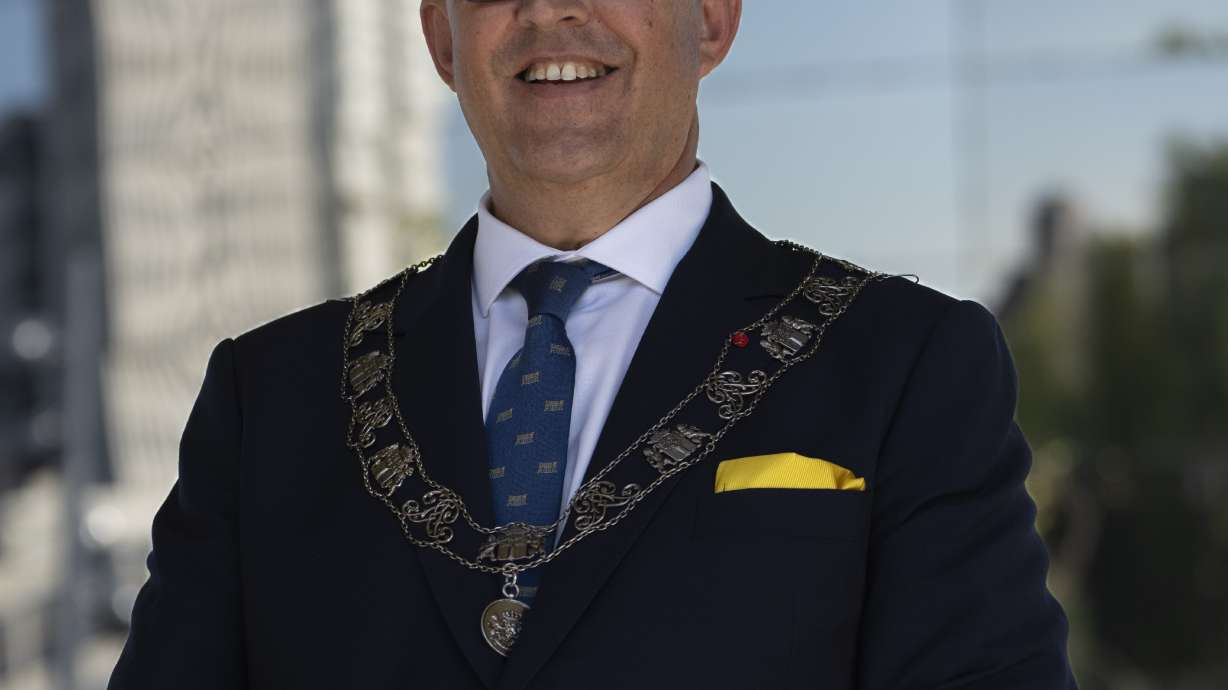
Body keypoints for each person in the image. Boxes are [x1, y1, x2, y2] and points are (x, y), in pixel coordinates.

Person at [108, 1, 1078, 688]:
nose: (548, 11)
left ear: (714, 19)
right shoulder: (269, 394)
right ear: (441, 36)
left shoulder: (902, 365)